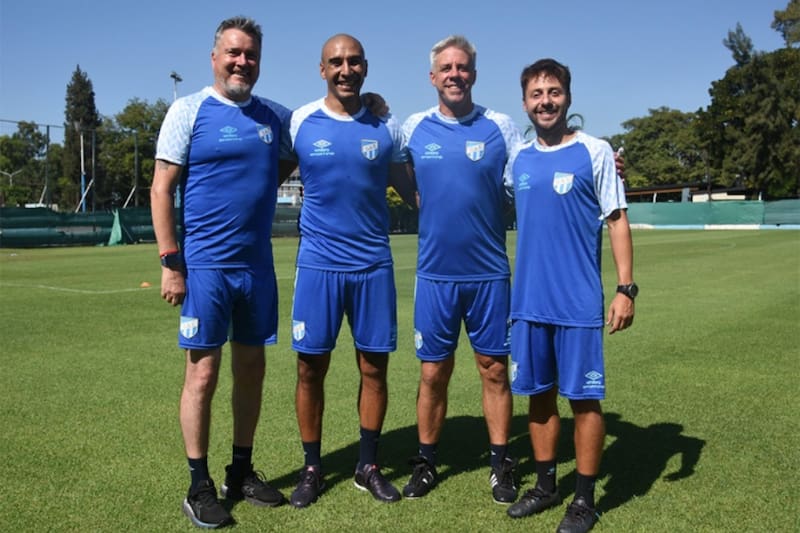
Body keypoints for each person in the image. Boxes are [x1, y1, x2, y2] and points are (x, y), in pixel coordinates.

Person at [151, 16, 293, 529]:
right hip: (206, 267)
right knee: (203, 374)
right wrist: (171, 263)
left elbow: (314, 135)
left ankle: (240, 470)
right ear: (214, 58)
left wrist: (372, 107)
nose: (242, 62)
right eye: (233, 53)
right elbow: (161, 189)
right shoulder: (187, 111)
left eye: (250, 54)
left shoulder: (276, 116)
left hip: (256, 267)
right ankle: (198, 483)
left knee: (251, 369)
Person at [503, 58, 636, 533]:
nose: (545, 101)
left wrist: (625, 288)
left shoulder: (595, 152)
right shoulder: (517, 157)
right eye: (537, 94)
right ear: (525, 102)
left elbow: (616, 218)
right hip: (528, 303)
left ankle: (584, 499)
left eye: (554, 92)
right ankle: (545, 486)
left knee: (584, 400)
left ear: (568, 97)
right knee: (539, 399)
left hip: (578, 302)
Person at [285, 33, 415, 508]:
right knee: (308, 368)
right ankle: (313, 467)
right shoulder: (299, 121)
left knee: (374, 368)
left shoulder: (386, 125)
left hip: (372, 266)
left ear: (365, 67)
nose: (345, 69)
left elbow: (419, 192)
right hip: (318, 266)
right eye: (336, 62)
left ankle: (368, 465)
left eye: (353, 61)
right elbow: (261, 177)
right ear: (322, 69)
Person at [398, 35, 521, 505]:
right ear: (433, 77)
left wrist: (601, 166)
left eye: (463, 67)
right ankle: (427, 461)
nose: (455, 74)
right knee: (433, 373)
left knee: (493, 371)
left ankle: (500, 463)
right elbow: (385, 160)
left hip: (489, 274)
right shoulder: (413, 128)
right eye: (446, 68)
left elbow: (530, 171)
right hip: (434, 276)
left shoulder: (501, 126)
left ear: (474, 73)